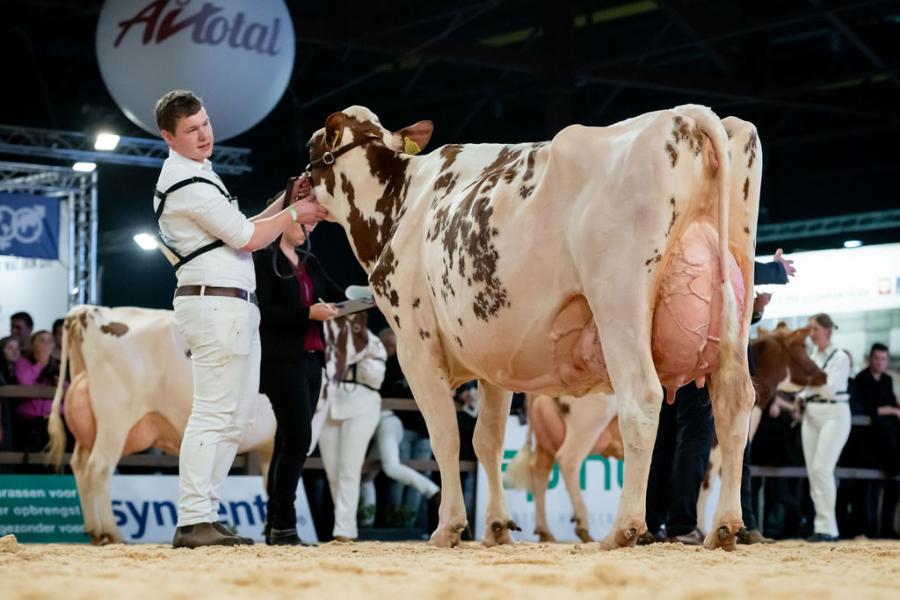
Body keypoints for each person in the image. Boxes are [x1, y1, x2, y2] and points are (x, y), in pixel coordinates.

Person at [153, 89, 328, 549]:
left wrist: (286, 202)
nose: (204, 134)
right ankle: (193, 518)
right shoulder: (187, 183)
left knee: (232, 416)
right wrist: (295, 210)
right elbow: (249, 239)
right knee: (214, 412)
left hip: (231, 304)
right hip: (215, 304)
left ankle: (205, 515)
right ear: (168, 136)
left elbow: (240, 231)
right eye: (191, 130)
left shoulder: (200, 176)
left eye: (205, 123)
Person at [252, 209, 342, 545]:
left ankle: (277, 526)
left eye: (312, 224)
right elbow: (260, 313)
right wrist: (308, 314)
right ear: (283, 222)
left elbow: (336, 294)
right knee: (299, 439)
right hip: (281, 360)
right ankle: (283, 523)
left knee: (289, 440)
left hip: (312, 359)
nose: (309, 228)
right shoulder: (265, 261)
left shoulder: (310, 262)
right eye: (303, 222)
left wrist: (366, 298)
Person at [317, 315, 386, 542]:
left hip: (362, 403)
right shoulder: (324, 337)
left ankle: (343, 531)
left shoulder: (372, 341)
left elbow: (375, 376)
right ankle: (346, 526)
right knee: (332, 471)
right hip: (329, 401)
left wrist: (348, 358)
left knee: (349, 468)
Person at [377, 327, 438, 528]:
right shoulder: (393, 364)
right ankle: (395, 523)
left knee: (420, 474)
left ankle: (409, 524)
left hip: (427, 429)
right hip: (402, 427)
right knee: (398, 475)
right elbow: (386, 393)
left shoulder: (430, 363)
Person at [800, 313, 852, 542]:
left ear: (828, 331)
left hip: (834, 413)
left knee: (822, 468)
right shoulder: (812, 356)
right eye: (810, 330)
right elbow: (806, 387)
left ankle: (829, 528)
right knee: (813, 471)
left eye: (815, 330)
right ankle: (822, 526)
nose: (811, 334)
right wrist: (801, 395)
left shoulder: (840, 357)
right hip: (811, 413)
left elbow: (830, 388)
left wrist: (809, 381)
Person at [641, 382, 714, 545]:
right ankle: (682, 525)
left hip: (664, 373)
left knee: (664, 441)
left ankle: (649, 524)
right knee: (695, 436)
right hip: (697, 370)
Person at [851, 343, 899, 537]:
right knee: (867, 493)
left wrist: (891, 409)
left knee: (891, 487)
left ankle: (887, 530)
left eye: (883, 359)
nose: (880, 362)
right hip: (867, 446)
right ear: (870, 359)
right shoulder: (861, 379)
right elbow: (868, 407)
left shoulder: (887, 380)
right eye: (877, 358)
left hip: (887, 448)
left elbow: (888, 403)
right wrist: (893, 411)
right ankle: (870, 531)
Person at [13, 331, 59, 451]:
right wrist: (41, 363)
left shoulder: (58, 364)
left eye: (49, 341)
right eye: (42, 340)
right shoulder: (22, 362)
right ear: (32, 344)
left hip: (54, 420)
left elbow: (67, 389)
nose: (46, 344)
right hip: (29, 422)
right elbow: (24, 382)